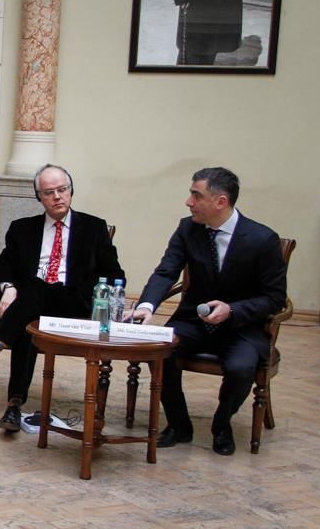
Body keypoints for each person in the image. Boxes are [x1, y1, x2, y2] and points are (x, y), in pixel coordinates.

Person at [131, 167, 286, 456]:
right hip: (194, 322)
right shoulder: (187, 229)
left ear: (220, 201)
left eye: (196, 195)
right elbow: (166, 271)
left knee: (240, 369)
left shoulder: (262, 239)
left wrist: (232, 309)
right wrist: (146, 306)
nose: (188, 202)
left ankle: (222, 425)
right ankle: (179, 425)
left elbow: (275, 298)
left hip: (241, 327)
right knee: (159, 350)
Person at [0, 164, 124, 432]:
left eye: (62, 190)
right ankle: (14, 406)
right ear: (39, 197)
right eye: (49, 192)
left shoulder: (94, 228)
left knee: (34, 288)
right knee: (28, 326)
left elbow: (115, 273)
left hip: (75, 304)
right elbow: (0, 269)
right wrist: (9, 287)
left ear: (71, 191)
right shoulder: (22, 229)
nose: (57, 196)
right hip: (31, 307)